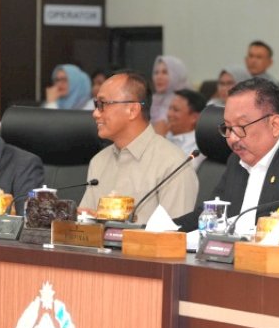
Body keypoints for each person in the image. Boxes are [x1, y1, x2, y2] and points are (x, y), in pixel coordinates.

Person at [175, 77, 279, 234]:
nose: (232, 138)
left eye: (241, 126)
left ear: (275, 125)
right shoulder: (236, 160)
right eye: (227, 127)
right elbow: (209, 215)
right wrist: (160, 230)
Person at [79, 70, 198, 224]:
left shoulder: (174, 165)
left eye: (103, 104)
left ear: (133, 110)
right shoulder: (99, 161)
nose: (95, 113)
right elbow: (84, 227)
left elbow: (175, 238)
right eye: (96, 105)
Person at [167, 89, 207, 169]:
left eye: (175, 110)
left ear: (194, 118)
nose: (169, 114)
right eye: (169, 108)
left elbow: (180, 174)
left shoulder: (197, 148)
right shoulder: (167, 135)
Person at [151, 55, 190, 135]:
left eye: (164, 72)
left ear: (176, 75)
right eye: (156, 72)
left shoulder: (184, 100)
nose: (159, 77)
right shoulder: (153, 99)